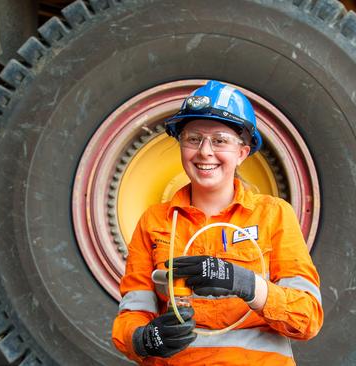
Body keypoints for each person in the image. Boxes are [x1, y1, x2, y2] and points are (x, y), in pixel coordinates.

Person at [112, 80, 323, 365]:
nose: (204, 152)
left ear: (243, 152)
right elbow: (132, 315)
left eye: (220, 140)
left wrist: (245, 284)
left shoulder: (274, 215)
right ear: (181, 145)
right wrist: (144, 338)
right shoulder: (154, 221)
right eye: (193, 139)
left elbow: (308, 318)